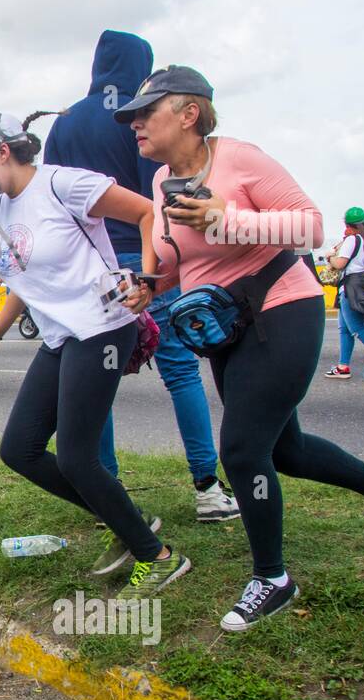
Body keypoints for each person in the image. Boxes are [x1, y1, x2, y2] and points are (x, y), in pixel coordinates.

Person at [113, 67, 364, 629]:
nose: (134, 124)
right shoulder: (160, 183)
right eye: (131, 115)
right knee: (284, 452)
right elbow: (187, 259)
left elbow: (312, 229)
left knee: (242, 450)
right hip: (225, 326)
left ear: (189, 113)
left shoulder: (240, 158)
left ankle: (272, 578)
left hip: (284, 305)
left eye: (145, 112)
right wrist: (150, 284)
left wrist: (226, 218)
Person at [0, 109, 181, 602]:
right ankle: (125, 517)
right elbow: (23, 282)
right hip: (60, 338)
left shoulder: (62, 184)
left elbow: (145, 212)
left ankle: (157, 556)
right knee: (19, 450)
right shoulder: (2, 211)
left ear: (3, 150)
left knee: (76, 458)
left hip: (102, 329)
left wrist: (149, 281)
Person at [44, 32, 237, 523]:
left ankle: (106, 489)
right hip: (146, 258)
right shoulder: (136, 119)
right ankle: (207, 488)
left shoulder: (63, 125)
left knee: (94, 385)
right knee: (180, 372)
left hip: (90, 271)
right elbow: (160, 197)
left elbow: (52, 202)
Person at [323, 207, 364, 379]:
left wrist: (330, 257)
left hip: (351, 287)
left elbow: (341, 263)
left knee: (356, 328)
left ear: (347, 223)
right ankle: (343, 366)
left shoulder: (352, 240)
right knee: (344, 329)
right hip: (358, 284)